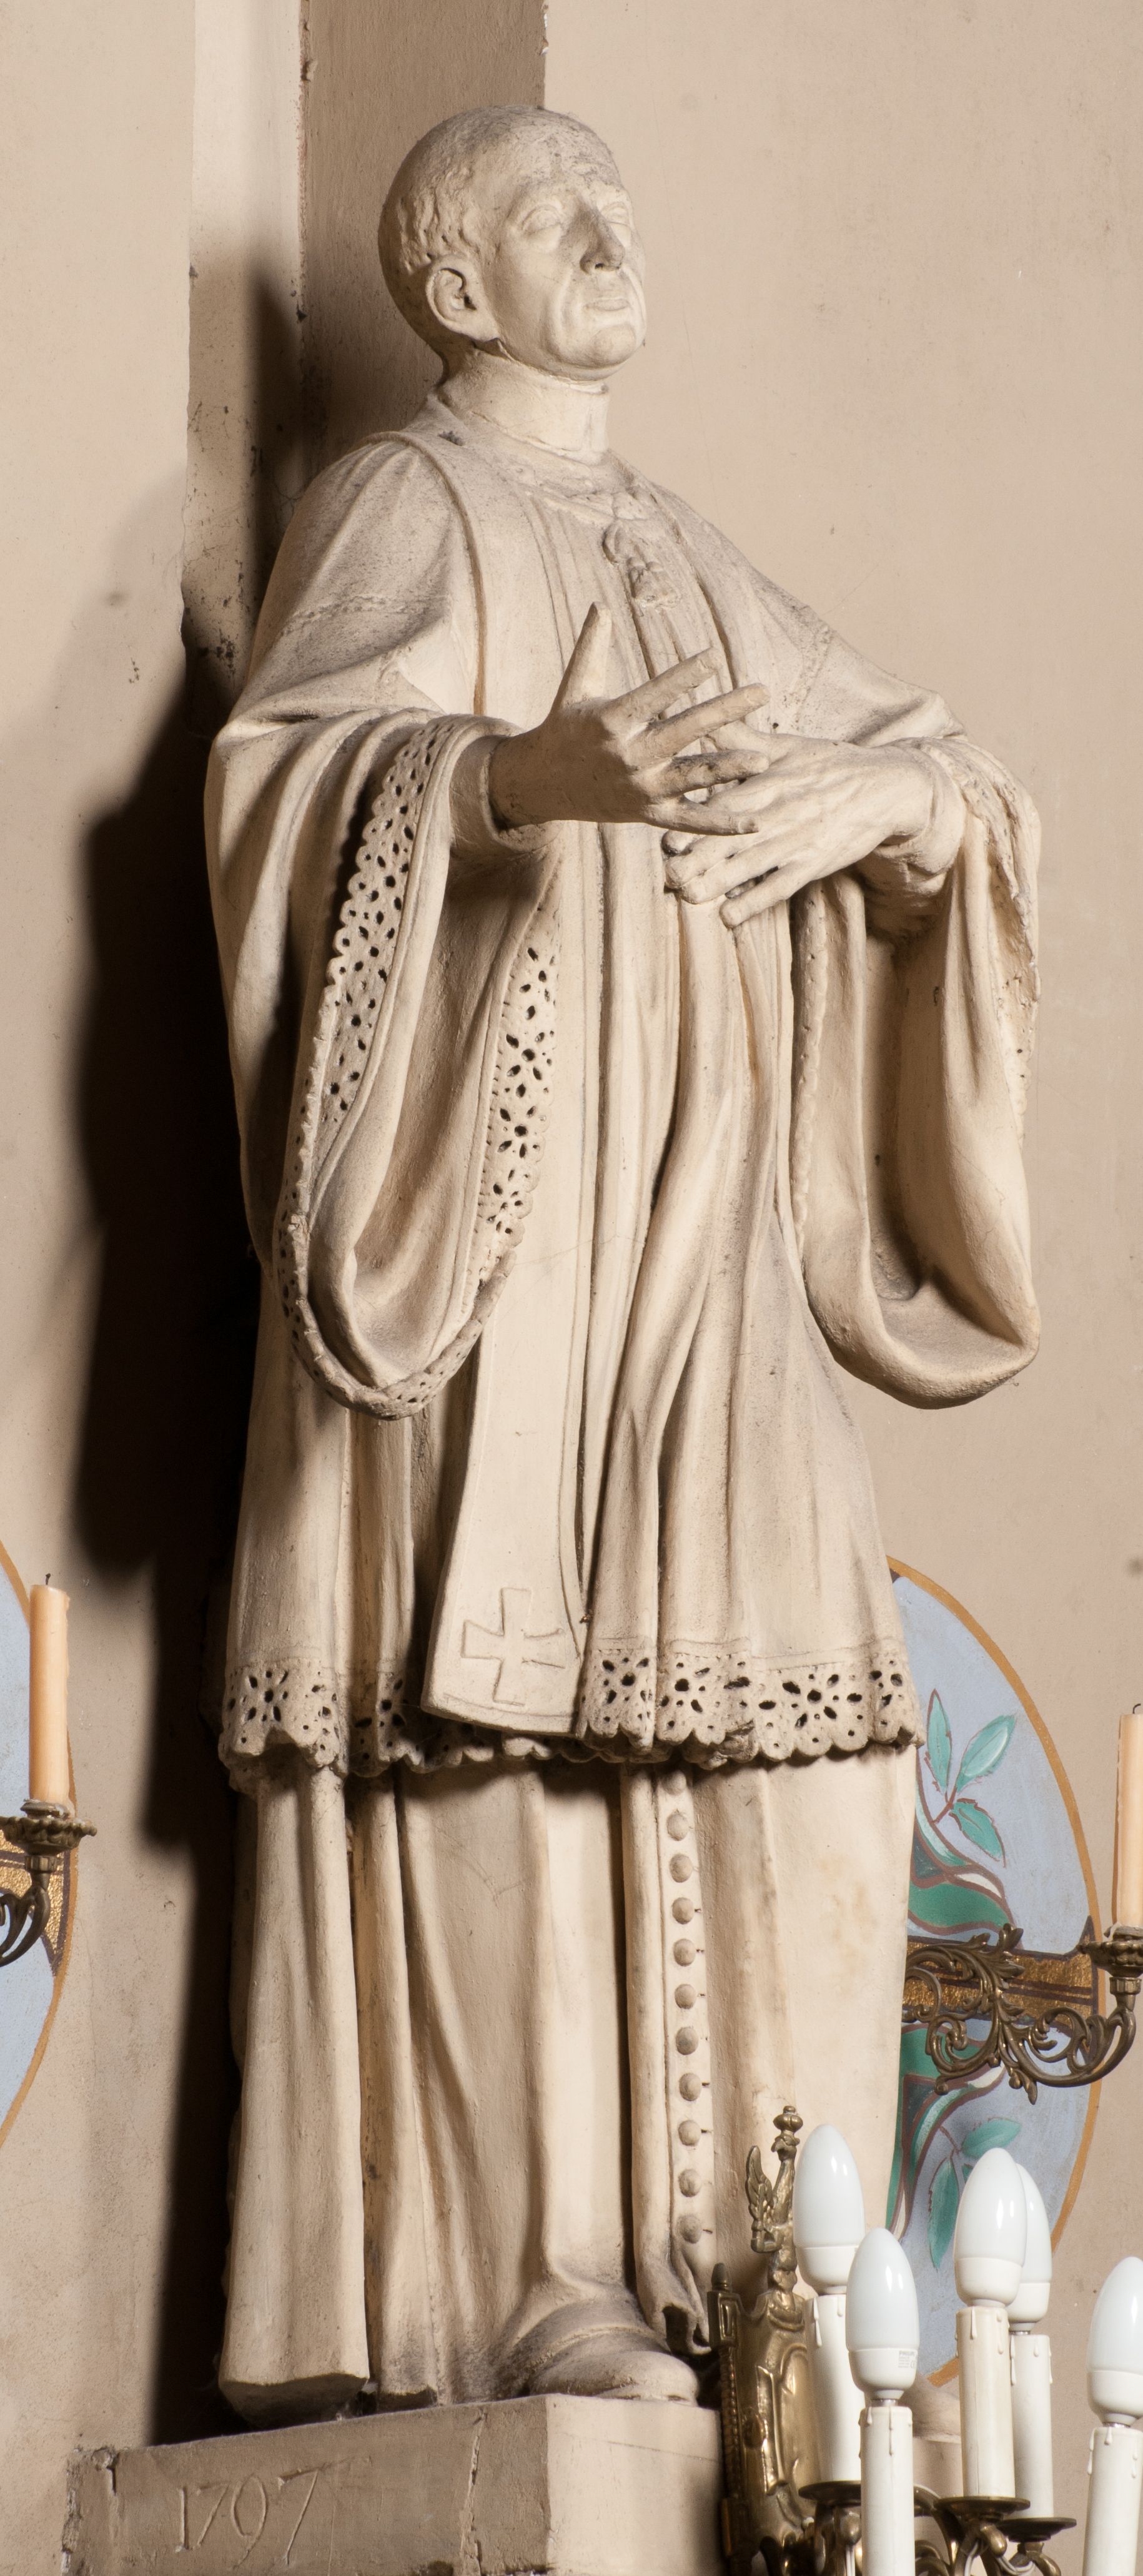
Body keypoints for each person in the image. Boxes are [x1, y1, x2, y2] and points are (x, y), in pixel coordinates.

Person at [206, 104, 1039, 2424]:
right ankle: (531, 2277)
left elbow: (942, 771)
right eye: (555, 211)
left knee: (804, 1713)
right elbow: (285, 792)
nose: (609, 236)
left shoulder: (683, 542)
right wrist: (505, 784)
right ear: (456, 284)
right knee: (510, 1713)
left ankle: (777, 2279)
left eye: (622, 205)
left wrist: (900, 805)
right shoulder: (406, 506)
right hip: (506, 1232)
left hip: (716, 1234)